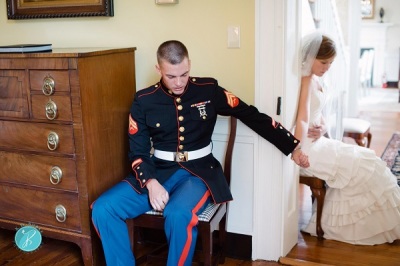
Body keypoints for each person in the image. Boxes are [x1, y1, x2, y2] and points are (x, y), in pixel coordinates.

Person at [91, 40, 309, 265]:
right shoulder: (144, 100)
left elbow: (250, 114)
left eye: (184, 74)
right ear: (159, 69)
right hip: (158, 171)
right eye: (171, 76)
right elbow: (137, 150)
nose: (178, 83)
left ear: (190, 65)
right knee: (103, 208)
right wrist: (151, 183)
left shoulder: (208, 90)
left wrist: (292, 146)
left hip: (199, 173)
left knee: (178, 215)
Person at [296, 31, 400, 245]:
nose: (327, 68)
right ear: (312, 56)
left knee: (368, 161)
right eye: (324, 62)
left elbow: (318, 113)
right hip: (308, 148)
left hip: (320, 141)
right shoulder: (306, 80)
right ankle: (356, 227)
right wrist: (295, 149)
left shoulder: (316, 78)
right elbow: (303, 119)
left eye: (330, 63)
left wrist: (324, 125)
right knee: (361, 166)